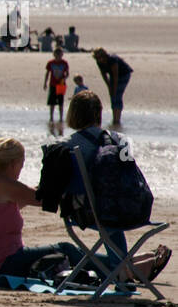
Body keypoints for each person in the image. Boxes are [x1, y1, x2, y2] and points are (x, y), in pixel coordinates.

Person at [35, 91, 169, 283]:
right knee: (110, 212)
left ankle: (122, 271)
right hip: (131, 211)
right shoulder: (120, 140)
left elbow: (50, 191)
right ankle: (125, 269)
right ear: (99, 113)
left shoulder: (64, 146)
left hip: (88, 215)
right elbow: (132, 178)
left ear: (72, 114)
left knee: (104, 214)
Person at [0, 138, 83, 284]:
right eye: (22, 165)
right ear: (13, 164)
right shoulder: (2, 185)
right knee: (65, 249)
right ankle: (112, 268)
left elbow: (31, 194)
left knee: (61, 255)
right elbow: (43, 200)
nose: (21, 170)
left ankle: (111, 267)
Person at [92, 47, 132, 126]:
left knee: (117, 95)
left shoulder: (112, 60)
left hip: (124, 74)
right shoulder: (99, 62)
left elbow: (115, 76)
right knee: (112, 96)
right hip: (113, 77)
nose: (98, 59)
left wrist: (114, 88)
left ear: (104, 55)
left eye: (99, 57)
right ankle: (114, 118)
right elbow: (104, 75)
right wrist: (109, 87)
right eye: (96, 58)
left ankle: (117, 119)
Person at [43, 47, 70, 125]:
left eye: (59, 55)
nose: (58, 56)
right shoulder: (50, 63)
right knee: (52, 102)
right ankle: (51, 117)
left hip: (61, 85)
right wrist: (45, 83)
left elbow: (67, 73)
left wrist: (64, 78)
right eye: (56, 55)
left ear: (62, 55)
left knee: (60, 102)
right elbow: (47, 73)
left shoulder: (64, 63)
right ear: (54, 55)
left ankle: (61, 118)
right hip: (52, 84)